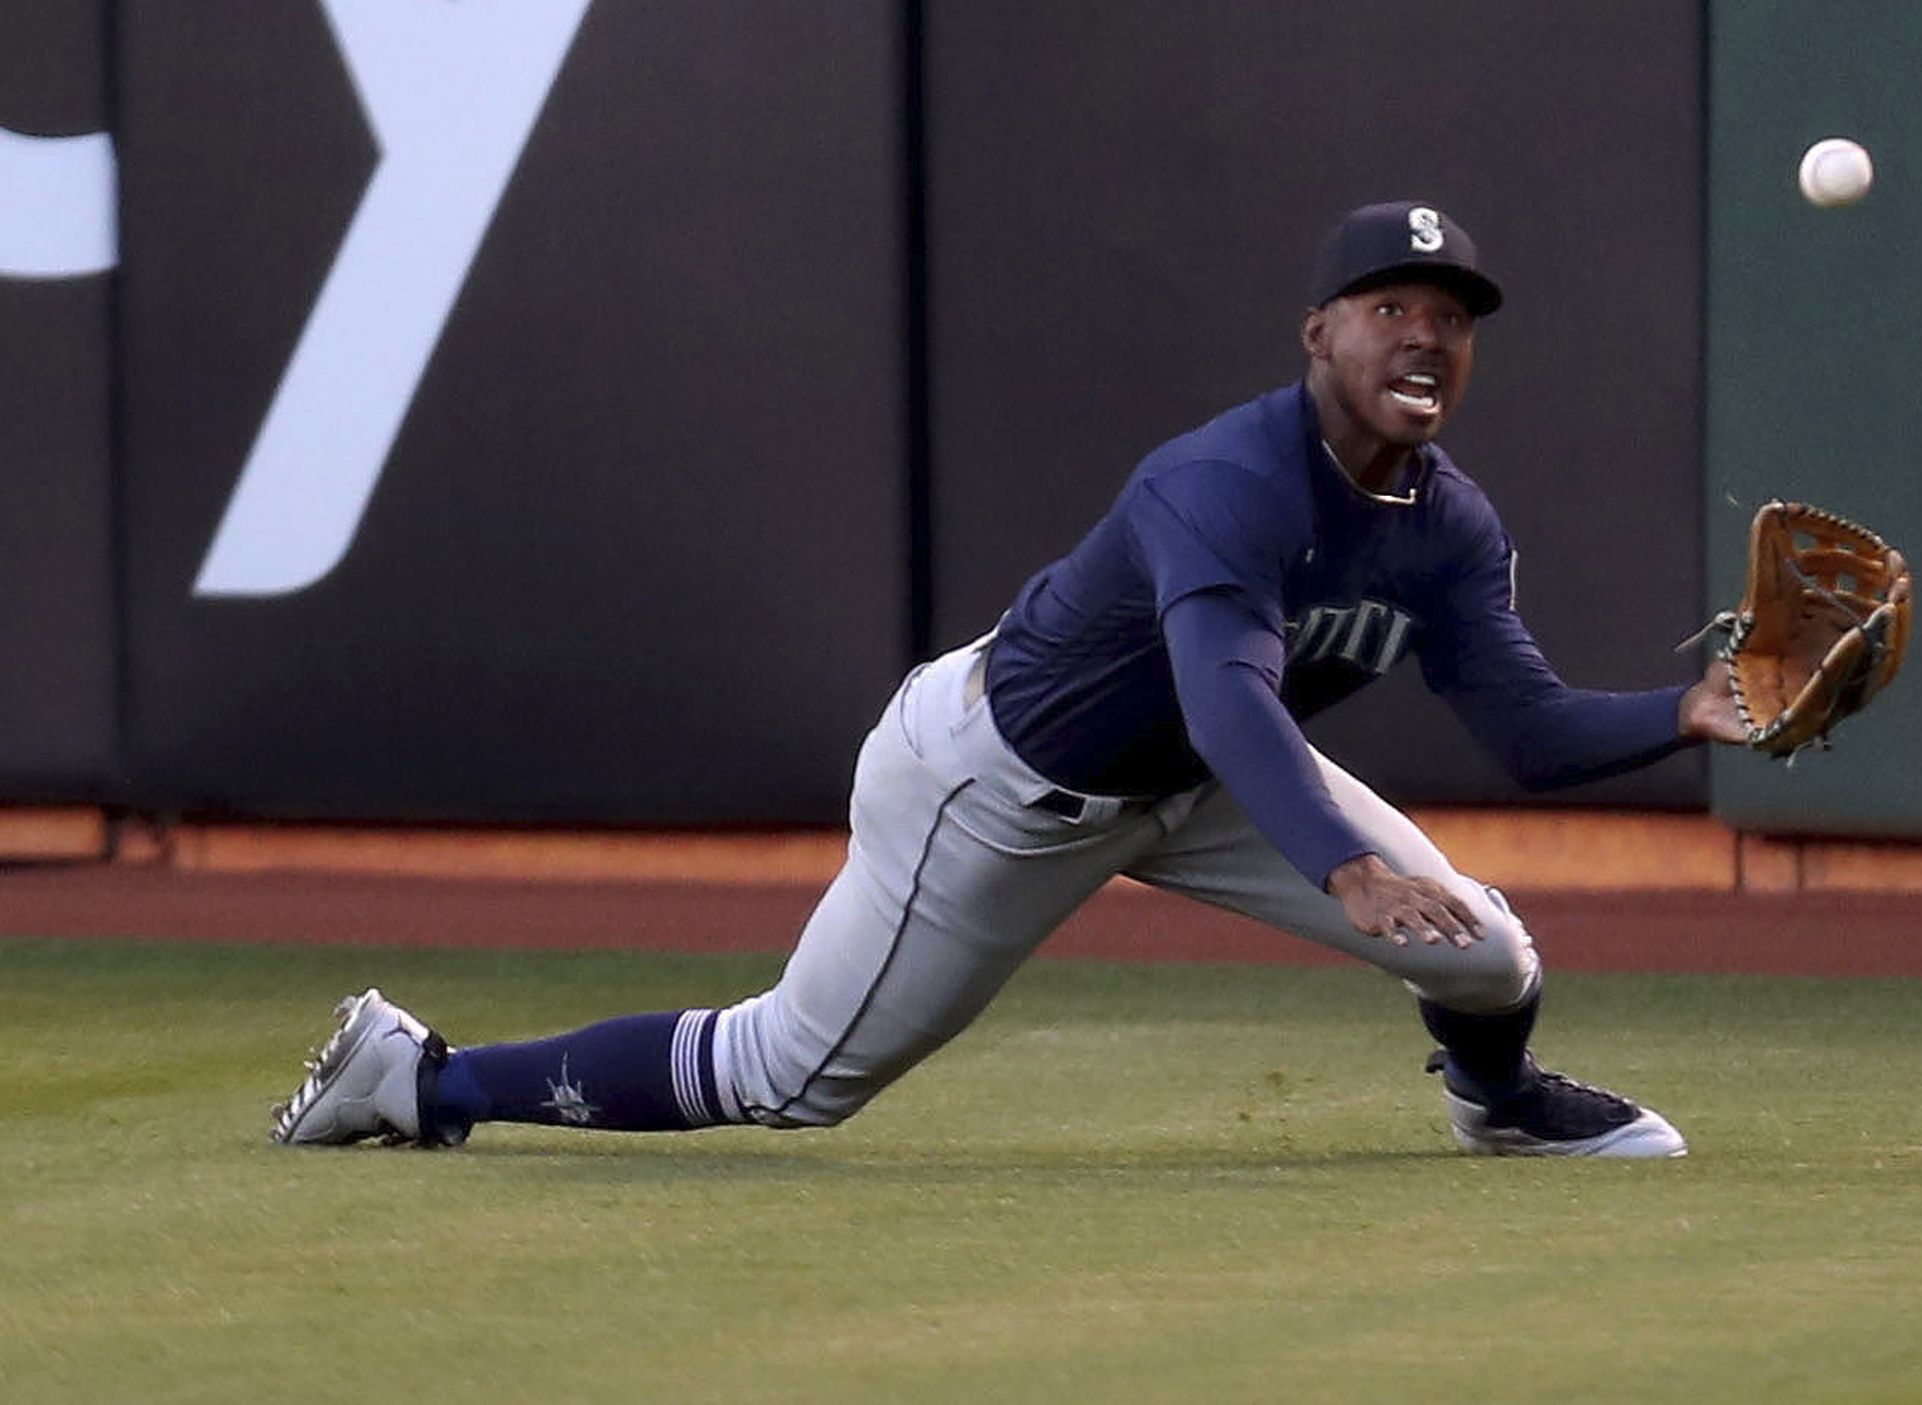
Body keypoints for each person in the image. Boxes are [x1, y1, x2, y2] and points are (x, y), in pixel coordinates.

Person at [271, 199, 1751, 1159]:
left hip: (1196, 784)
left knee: (1489, 955)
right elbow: (1230, 690)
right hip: (997, 783)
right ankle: (417, 1078)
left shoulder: (1449, 527)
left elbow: (1531, 732)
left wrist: (1686, 716)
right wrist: (1347, 870)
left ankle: (1496, 1108)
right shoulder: (1226, 480)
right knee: (792, 1070)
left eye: (1452, 314)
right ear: (1319, 335)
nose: (1426, 331)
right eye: (1389, 304)